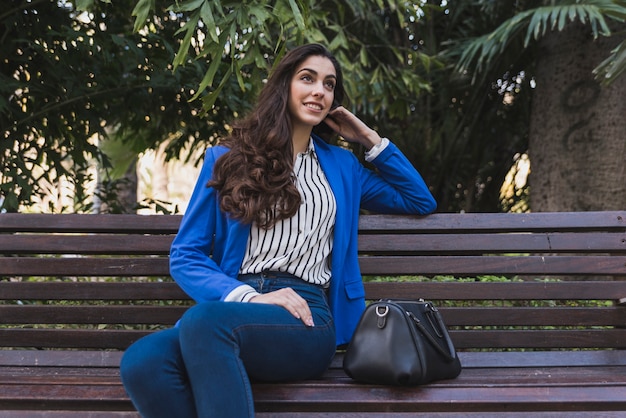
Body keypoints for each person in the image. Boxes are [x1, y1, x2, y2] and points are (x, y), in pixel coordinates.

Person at [120, 43, 436, 417]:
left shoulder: (343, 167)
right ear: (283, 85)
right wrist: (248, 297)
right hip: (236, 306)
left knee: (204, 324)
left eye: (329, 84)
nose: (320, 90)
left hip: (306, 317)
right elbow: (186, 255)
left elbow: (419, 200)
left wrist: (368, 138)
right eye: (308, 78)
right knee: (142, 361)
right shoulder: (228, 159)